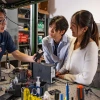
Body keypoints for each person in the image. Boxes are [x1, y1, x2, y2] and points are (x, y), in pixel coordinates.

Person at [56, 10, 99, 85]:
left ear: (84, 29)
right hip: (70, 83)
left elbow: (86, 79)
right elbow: (68, 63)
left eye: (73, 25)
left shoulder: (91, 47)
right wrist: (60, 72)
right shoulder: (73, 41)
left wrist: (65, 76)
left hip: (81, 87)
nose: (70, 27)